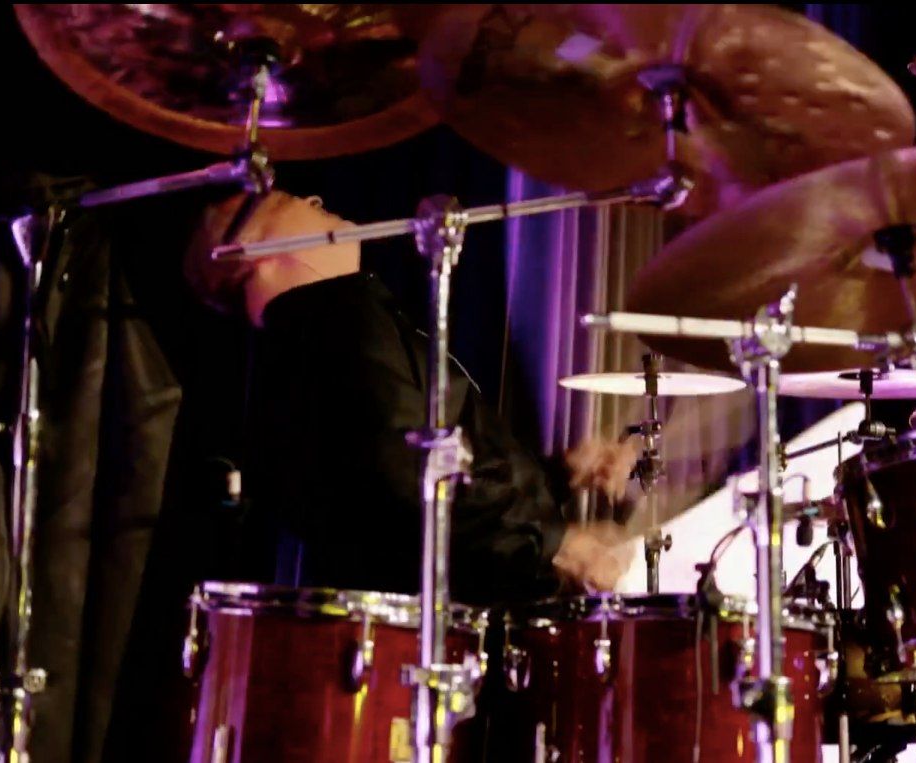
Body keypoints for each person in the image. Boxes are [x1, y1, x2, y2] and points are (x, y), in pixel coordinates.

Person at [183, 190, 638, 601]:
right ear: (250, 249)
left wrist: (554, 475)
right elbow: (407, 477)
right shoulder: (333, 321)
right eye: (290, 201)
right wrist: (558, 543)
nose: (315, 199)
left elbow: (418, 472)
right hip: (435, 633)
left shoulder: (319, 333)